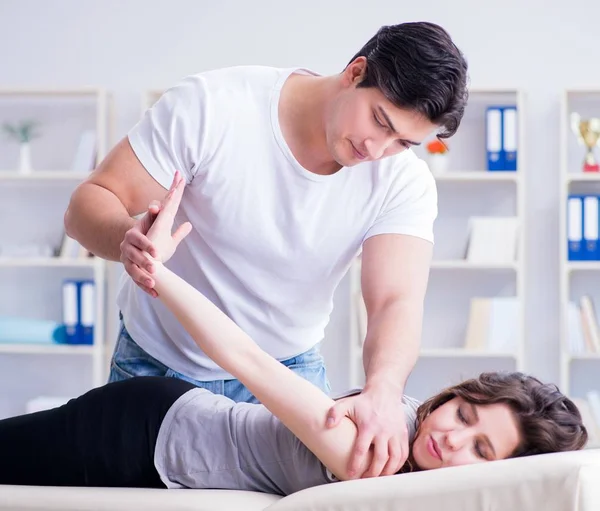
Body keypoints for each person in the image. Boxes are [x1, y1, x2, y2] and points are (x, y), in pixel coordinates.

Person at [1, 174, 587, 494]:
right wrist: (158, 273)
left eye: (481, 449)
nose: (451, 439)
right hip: (146, 431)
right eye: (463, 415)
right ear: (459, 394)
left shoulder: (423, 470)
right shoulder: (372, 449)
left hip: (167, 433)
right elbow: (245, 358)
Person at [64, 21, 469, 477]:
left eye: (404, 143)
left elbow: (395, 300)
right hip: (158, 364)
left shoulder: (403, 181)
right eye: (380, 121)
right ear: (356, 72)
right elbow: (88, 205)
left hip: (287, 377)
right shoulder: (214, 106)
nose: (378, 150)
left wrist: (383, 391)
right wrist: (127, 237)